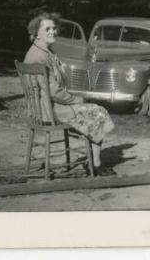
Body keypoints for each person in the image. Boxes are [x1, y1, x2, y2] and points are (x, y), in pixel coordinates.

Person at [23, 12, 115, 176]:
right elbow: (53, 92)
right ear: (36, 33)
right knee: (98, 112)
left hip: (43, 110)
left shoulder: (40, 52)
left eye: (54, 28)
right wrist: (76, 99)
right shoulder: (41, 57)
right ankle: (95, 164)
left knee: (91, 109)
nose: (53, 31)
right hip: (51, 112)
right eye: (47, 29)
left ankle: (92, 158)